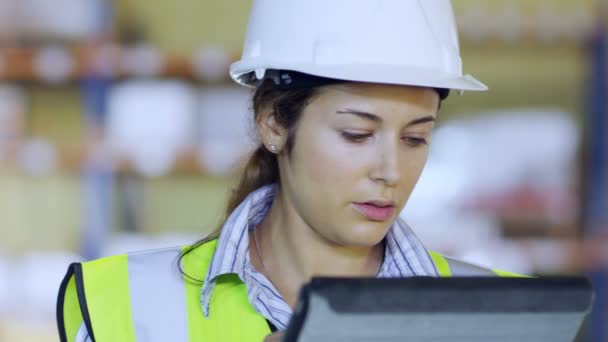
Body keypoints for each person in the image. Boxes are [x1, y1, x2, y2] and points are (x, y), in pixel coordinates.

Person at [57, 1, 521, 341]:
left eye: (415, 138)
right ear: (274, 122)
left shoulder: (505, 314)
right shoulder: (127, 302)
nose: (391, 171)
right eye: (357, 135)